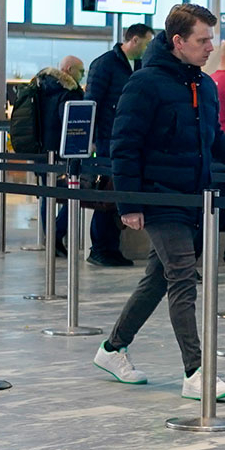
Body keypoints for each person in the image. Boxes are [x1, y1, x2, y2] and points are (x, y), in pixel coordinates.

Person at [93, 4, 225, 400]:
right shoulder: (143, 85)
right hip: (157, 197)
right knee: (182, 276)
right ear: (178, 42)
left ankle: (112, 348)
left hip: (194, 198)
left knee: (159, 278)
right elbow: (124, 146)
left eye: (212, 38)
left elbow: (214, 140)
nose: (211, 47)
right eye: (202, 40)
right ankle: (196, 371)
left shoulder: (204, 86)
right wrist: (129, 203)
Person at [85, 23, 154, 267]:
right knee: (106, 194)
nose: (148, 49)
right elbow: (91, 102)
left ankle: (109, 246)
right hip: (106, 140)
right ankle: (101, 248)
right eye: (146, 43)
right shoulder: (105, 64)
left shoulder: (136, 67)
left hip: (125, 139)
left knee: (116, 194)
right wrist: (90, 139)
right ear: (134, 40)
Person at [29, 54, 86, 257]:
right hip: (62, 151)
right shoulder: (69, 92)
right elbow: (69, 121)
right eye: (81, 71)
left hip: (40, 150)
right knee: (76, 193)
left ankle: (51, 238)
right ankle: (56, 234)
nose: (83, 75)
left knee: (47, 194)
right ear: (69, 70)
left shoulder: (40, 87)